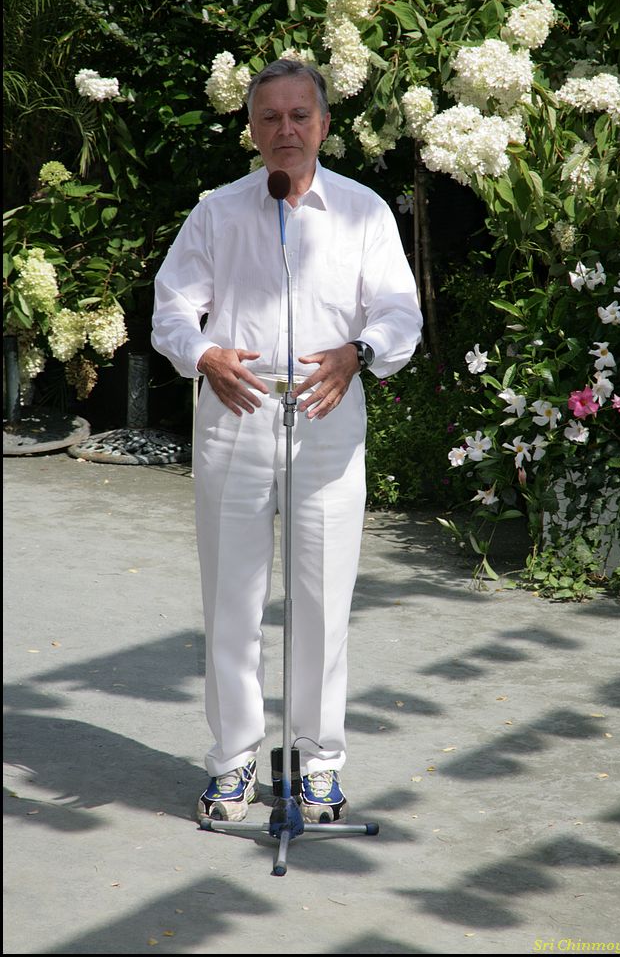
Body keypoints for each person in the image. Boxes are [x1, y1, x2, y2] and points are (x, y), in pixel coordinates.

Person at [151, 58, 423, 824]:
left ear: (324, 125)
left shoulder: (365, 212)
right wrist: (203, 354)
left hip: (327, 415)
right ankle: (234, 763)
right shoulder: (217, 212)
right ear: (251, 129)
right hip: (235, 415)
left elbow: (400, 314)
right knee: (232, 599)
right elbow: (170, 309)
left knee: (323, 600)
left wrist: (359, 352)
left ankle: (317, 764)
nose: (286, 130)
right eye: (269, 117)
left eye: (300, 115)